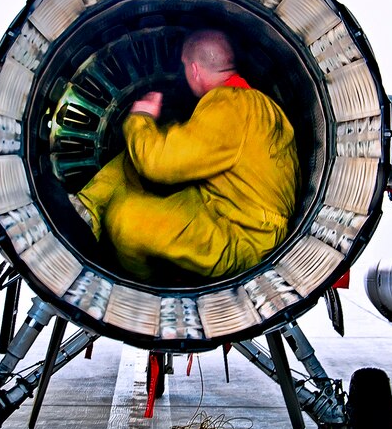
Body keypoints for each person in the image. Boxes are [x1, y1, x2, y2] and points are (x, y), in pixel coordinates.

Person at [75, 29, 298, 281]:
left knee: (125, 219)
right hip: (219, 207)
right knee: (139, 154)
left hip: (243, 237)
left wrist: (141, 118)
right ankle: (86, 211)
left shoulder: (232, 104)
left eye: (183, 68)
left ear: (193, 69)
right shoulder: (257, 105)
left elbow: (158, 164)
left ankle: (144, 287)